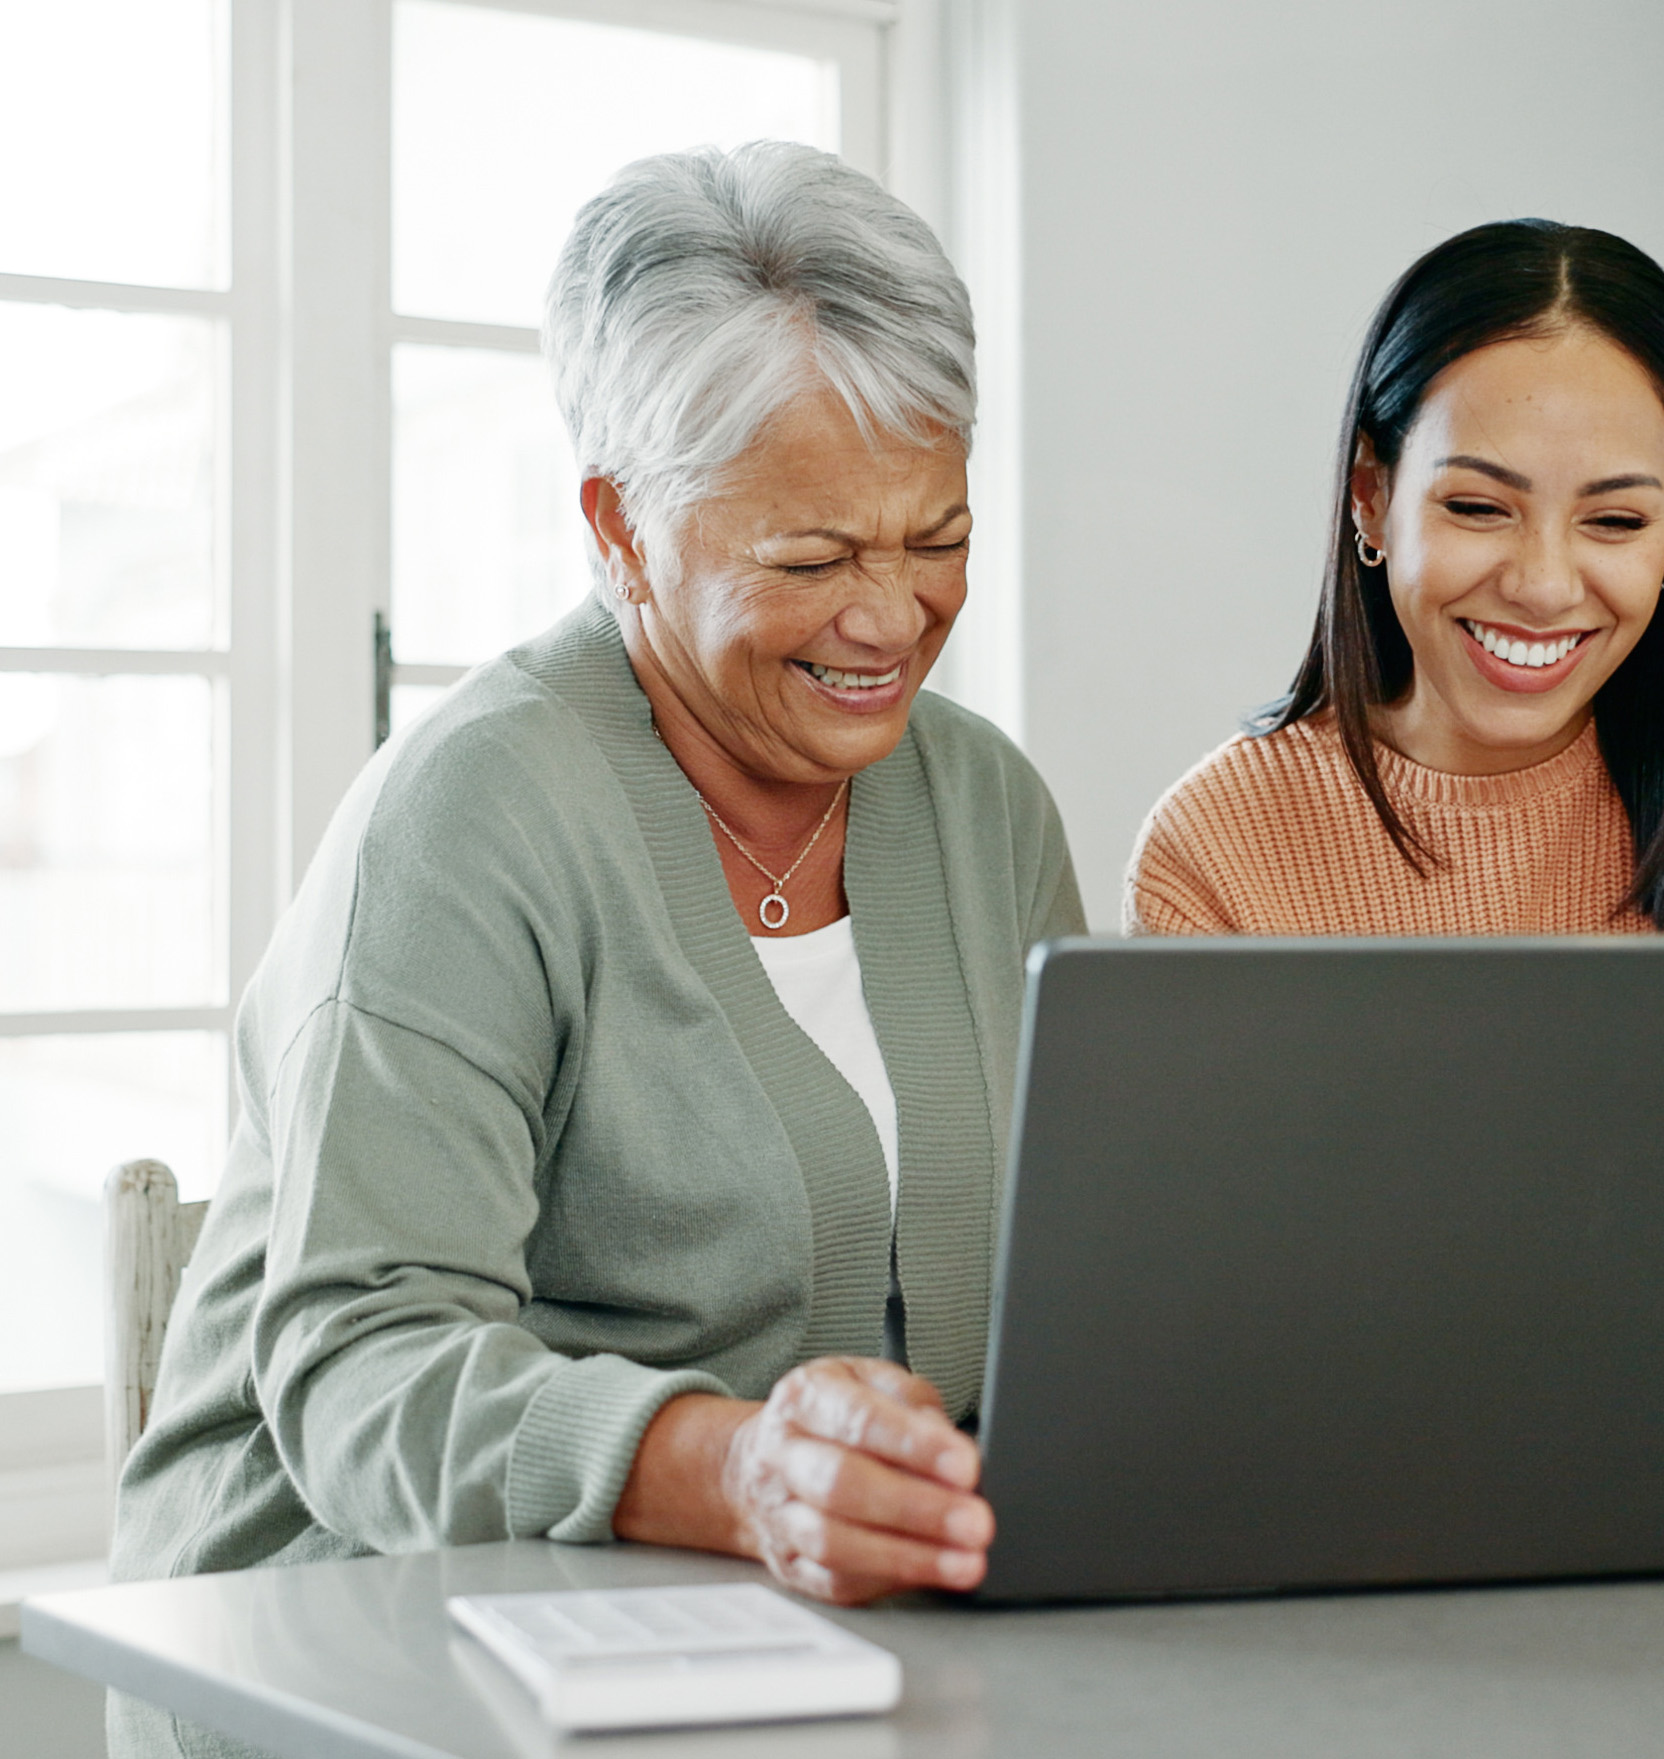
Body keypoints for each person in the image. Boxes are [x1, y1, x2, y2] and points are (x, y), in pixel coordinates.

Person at [111, 139, 1085, 1685]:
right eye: (813, 554)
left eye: (939, 538)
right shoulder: (474, 817)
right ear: (620, 527)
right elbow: (361, 1363)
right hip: (366, 1631)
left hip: (810, 1647)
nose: (891, 617)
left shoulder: (985, 810)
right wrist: (741, 1468)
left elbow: (1066, 1280)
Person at [1124, 221, 1664, 939]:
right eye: (1478, 507)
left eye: (1615, 521)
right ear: (1370, 496)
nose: (1543, 588)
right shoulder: (1213, 847)